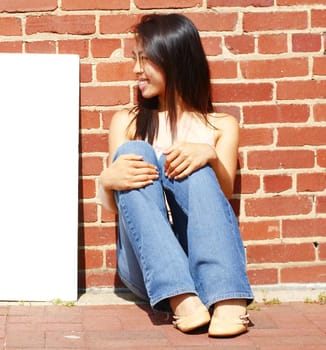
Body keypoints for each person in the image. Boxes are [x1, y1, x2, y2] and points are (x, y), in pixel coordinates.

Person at [97, 13, 254, 337]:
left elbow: (220, 198)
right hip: (146, 269)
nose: (136, 70)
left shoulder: (221, 125)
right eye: (134, 59)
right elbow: (116, 209)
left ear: (175, 60)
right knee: (134, 154)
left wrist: (209, 155)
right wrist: (105, 181)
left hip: (202, 257)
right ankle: (181, 296)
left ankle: (227, 298)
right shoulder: (126, 120)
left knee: (193, 158)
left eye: (145, 59)